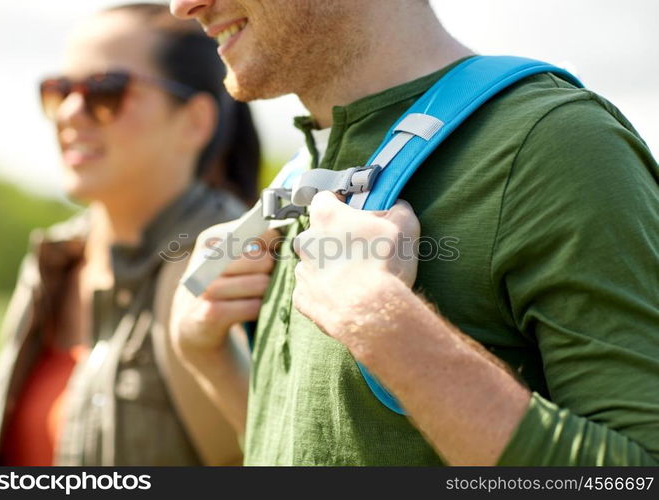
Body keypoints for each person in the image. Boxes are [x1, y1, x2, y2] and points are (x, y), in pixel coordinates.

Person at [168, 0, 659, 466]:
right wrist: (208, 357)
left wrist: (382, 322)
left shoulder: (557, 145)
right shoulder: (299, 177)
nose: (182, 6)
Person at [0, 2, 260, 466]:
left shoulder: (226, 265)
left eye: (106, 90)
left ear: (195, 121)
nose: (70, 112)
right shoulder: (54, 261)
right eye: (58, 90)